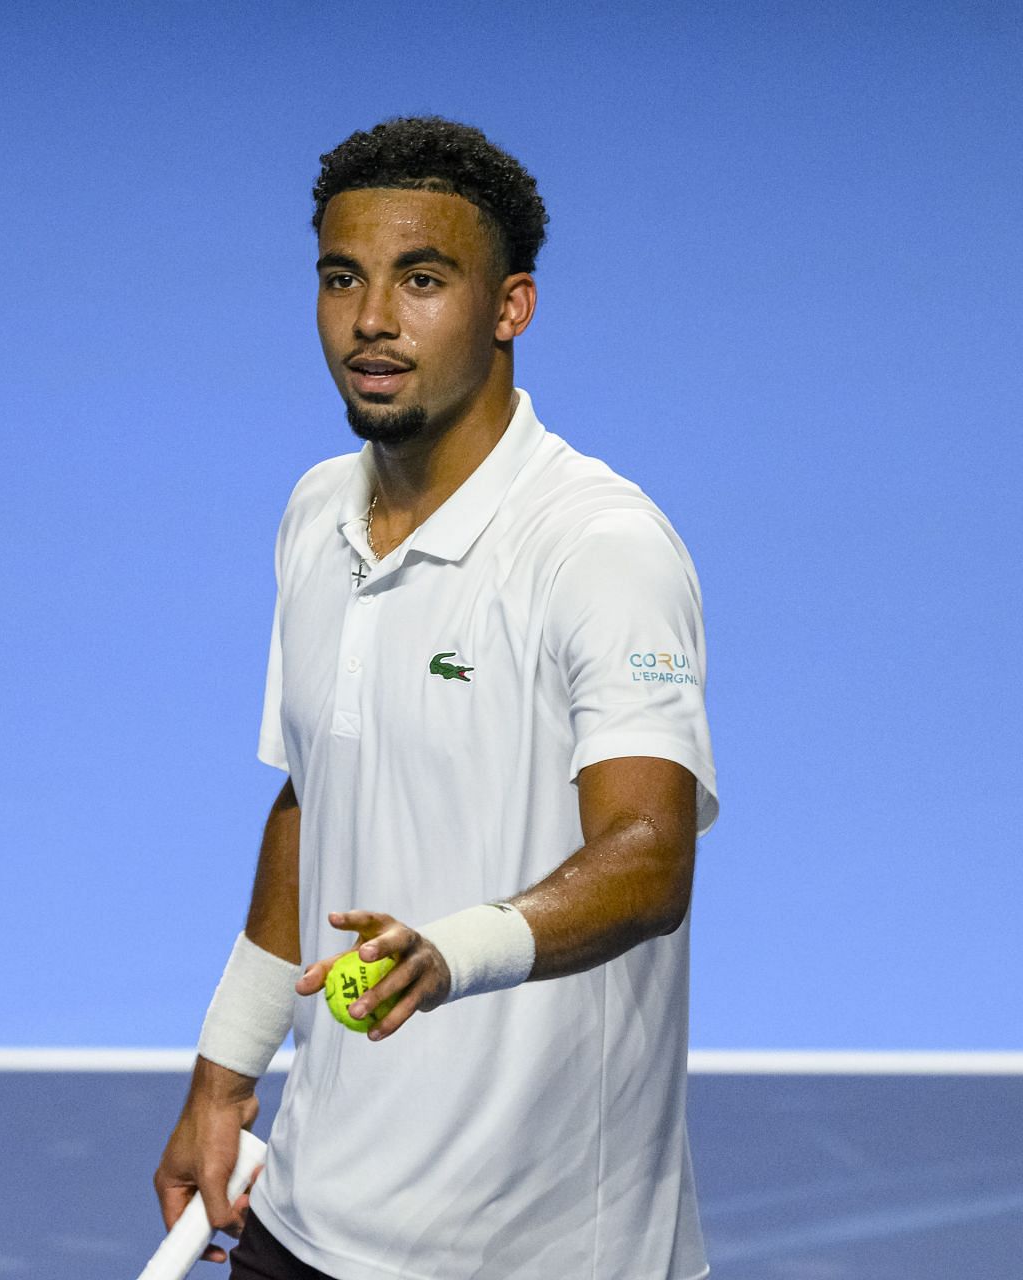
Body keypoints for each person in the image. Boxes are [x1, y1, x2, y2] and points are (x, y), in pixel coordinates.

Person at [154, 116, 721, 1280]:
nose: (372, 320)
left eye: (423, 280)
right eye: (341, 278)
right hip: (309, 1216)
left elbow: (650, 854)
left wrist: (450, 950)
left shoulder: (599, 547)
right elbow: (314, 801)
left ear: (510, 306)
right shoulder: (317, 514)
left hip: (543, 1250)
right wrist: (225, 1073)